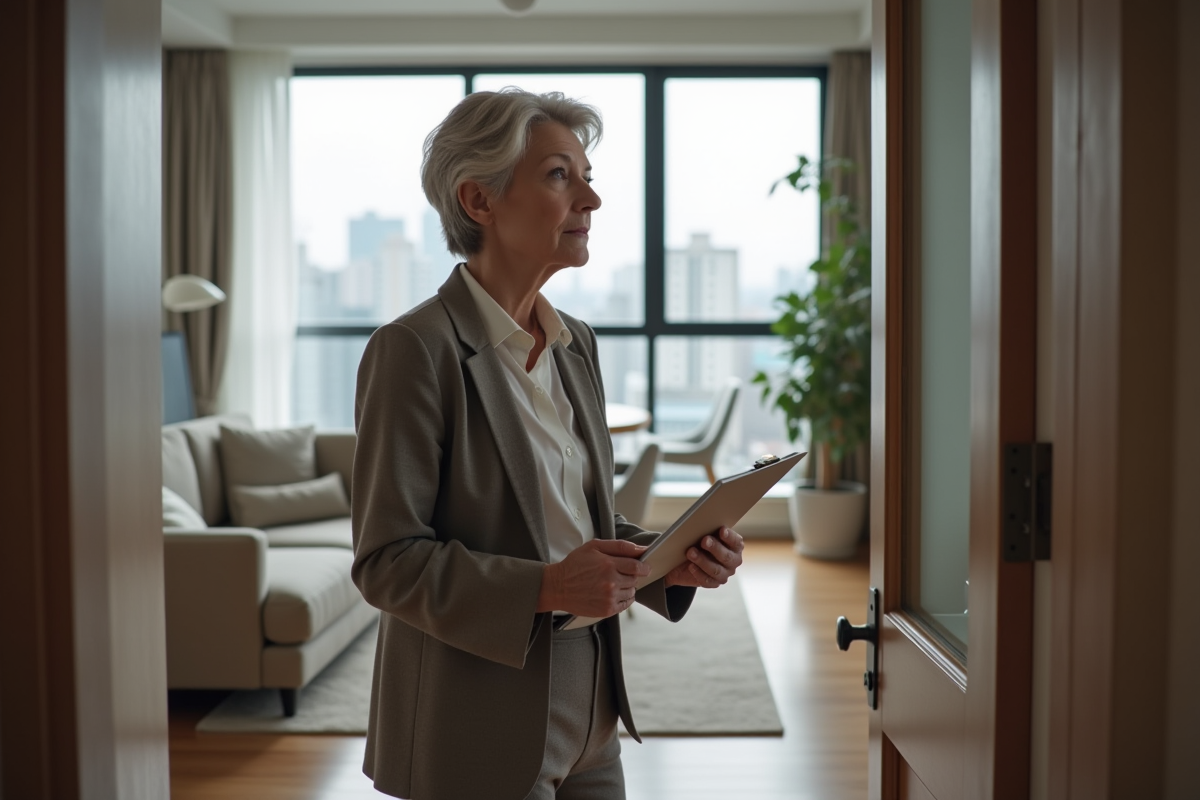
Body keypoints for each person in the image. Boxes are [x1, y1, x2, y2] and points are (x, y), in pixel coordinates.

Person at [350, 87, 745, 800]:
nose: (590, 201)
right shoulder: (414, 350)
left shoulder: (575, 344)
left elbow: (579, 523)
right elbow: (386, 562)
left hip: (594, 704)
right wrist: (549, 586)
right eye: (561, 176)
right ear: (480, 201)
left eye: (587, 178)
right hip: (475, 717)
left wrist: (669, 562)